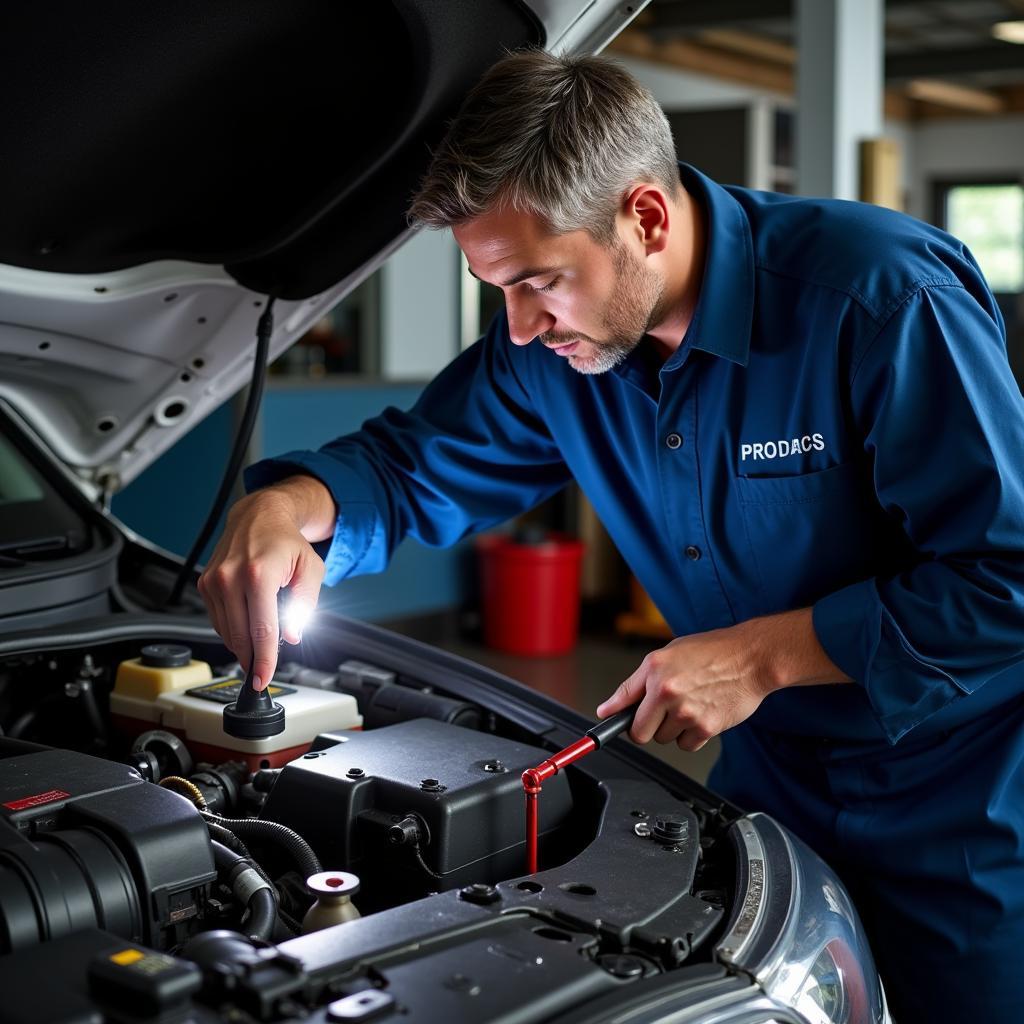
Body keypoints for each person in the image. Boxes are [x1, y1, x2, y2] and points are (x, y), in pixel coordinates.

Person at [199, 50, 1024, 1022]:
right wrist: (293, 502)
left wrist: (764, 656)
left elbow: (1003, 578)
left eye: (538, 282)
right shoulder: (554, 352)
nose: (514, 329)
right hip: (770, 790)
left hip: (961, 802)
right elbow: (413, 465)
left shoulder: (877, 299)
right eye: (494, 289)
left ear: (644, 218)